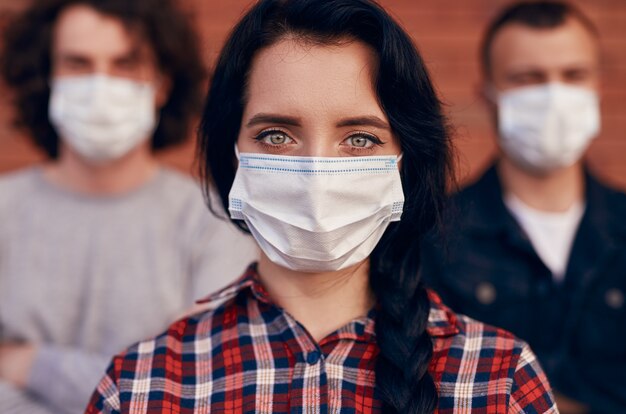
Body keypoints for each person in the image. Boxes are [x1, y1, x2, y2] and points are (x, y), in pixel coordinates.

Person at [85, 0, 559, 412]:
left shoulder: (498, 379)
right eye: (276, 136)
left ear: (405, 163)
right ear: (231, 155)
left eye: (359, 138)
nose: (316, 172)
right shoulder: (141, 386)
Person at [0, 0, 257, 413]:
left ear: (162, 83)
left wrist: (28, 362)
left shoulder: (214, 220)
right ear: (46, 77)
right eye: (78, 64)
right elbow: (158, 386)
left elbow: (203, 388)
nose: (101, 84)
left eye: (125, 64)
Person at [421, 1, 626, 413]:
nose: (553, 95)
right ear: (488, 95)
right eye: (528, 79)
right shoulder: (432, 236)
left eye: (573, 75)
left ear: (596, 88)